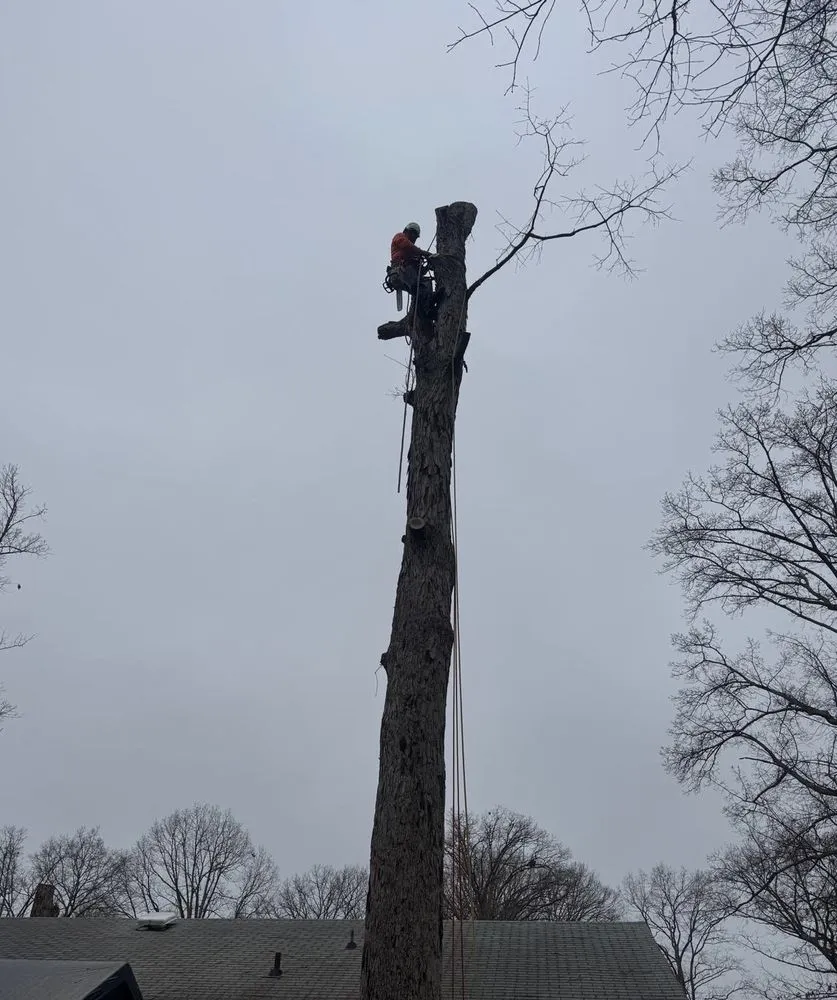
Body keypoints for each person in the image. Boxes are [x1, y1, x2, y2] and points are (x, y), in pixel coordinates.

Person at [389, 222, 435, 319]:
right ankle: (426, 309)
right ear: (407, 231)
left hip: (409, 274)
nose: (414, 239)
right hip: (400, 271)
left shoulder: (413, 254)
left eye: (416, 237)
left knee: (426, 283)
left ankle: (428, 307)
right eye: (413, 235)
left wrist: (427, 266)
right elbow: (406, 245)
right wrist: (423, 253)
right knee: (419, 286)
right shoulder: (400, 237)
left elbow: (419, 272)